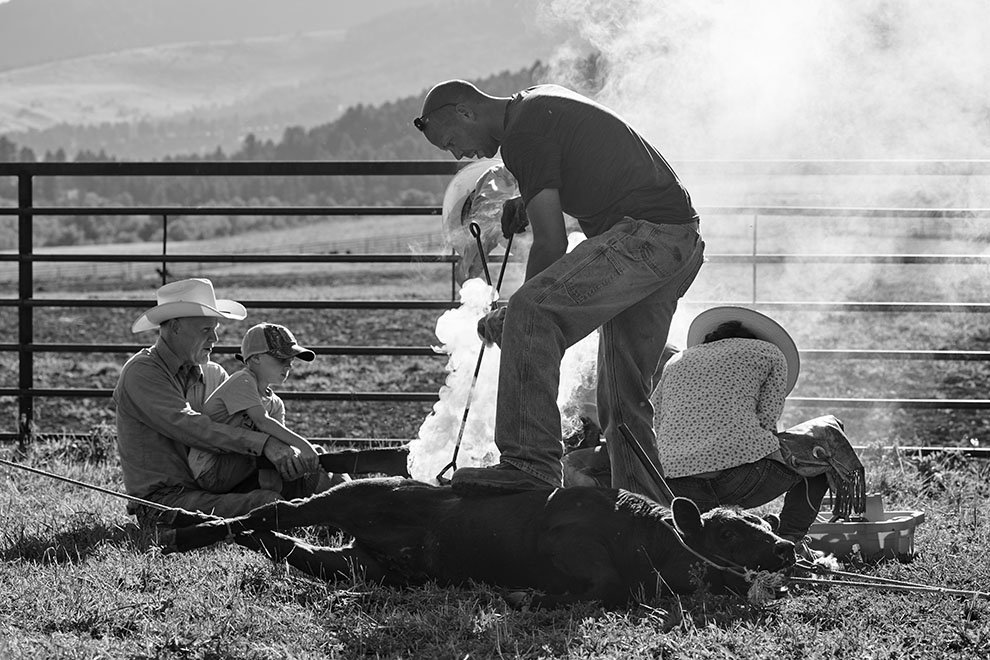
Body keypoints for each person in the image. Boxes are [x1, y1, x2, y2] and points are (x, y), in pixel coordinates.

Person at [414, 79, 705, 498]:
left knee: (532, 312)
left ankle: (529, 464)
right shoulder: (536, 104)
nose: (461, 154)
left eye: (452, 142)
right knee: (621, 401)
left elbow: (551, 241)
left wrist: (515, 314)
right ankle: (648, 516)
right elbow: (587, 171)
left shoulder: (522, 136)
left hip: (646, 239)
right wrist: (527, 200)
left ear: (465, 112)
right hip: (677, 242)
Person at [113, 278, 322, 524]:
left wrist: (286, 452)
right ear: (176, 327)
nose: (215, 339)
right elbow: (189, 426)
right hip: (164, 499)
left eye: (216, 329)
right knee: (266, 505)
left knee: (307, 473)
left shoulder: (214, 374)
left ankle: (342, 515)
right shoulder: (143, 372)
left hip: (218, 485)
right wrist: (265, 444)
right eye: (205, 330)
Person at [656, 306, 830, 543]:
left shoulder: (675, 361)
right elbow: (768, 421)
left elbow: (656, 420)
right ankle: (791, 539)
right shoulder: (770, 353)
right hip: (738, 480)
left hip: (674, 485)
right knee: (821, 462)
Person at [189, 322, 342, 497]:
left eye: (291, 360)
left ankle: (338, 501)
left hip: (239, 467)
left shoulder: (275, 404)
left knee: (313, 458)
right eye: (281, 359)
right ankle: (323, 502)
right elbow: (262, 422)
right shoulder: (242, 381)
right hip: (210, 469)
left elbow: (280, 444)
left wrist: (295, 459)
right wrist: (303, 447)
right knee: (300, 455)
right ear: (255, 358)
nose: (289, 366)